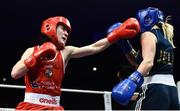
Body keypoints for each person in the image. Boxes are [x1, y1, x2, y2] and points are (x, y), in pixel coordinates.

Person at [11, 16, 140, 110]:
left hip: (54, 107)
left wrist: (116, 35)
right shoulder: (32, 50)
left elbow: (94, 47)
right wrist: (37, 55)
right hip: (31, 106)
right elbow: (15, 73)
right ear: (49, 27)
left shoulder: (65, 52)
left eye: (68, 31)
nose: (66, 33)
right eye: (63, 29)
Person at [111, 7, 180, 110]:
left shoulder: (148, 34)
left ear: (146, 19)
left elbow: (148, 62)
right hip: (171, 91)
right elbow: (139, 62)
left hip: (154, 88)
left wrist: (131, 81)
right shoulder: (166, 38)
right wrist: (123, 44)